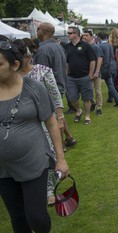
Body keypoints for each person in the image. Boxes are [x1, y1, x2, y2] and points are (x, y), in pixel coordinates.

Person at [0, 40, 69, 233]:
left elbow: (52, 123)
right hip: (3, 169)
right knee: (17, 218)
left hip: (33, 162)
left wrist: (60, 160)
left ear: (14, 65)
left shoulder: (33, 88)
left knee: (36, 216)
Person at [34, 22, 77, 147]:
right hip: (60, 84)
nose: (36, 31)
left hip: (50, 88)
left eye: (38, 29)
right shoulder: (58, 46)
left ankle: (61, 144)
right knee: (58, 113)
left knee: (52, 117)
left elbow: (41, 74)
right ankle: (68, 137)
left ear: (45, 32)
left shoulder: (43, 49)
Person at [65, 26, 96, 125]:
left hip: (84, 77)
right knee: (71, 98)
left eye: (70, 33)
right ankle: (79, 110)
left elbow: (92, 60)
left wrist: (90, 75)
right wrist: (66, 74)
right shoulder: (67, 46)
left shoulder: (85, 45)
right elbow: (67, 62)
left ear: (76, 34)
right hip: (71, 78)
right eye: (68, 33)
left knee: (86, 98)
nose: (68, 35)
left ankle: (87, 116)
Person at [82, 30, 104, 116]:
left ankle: (99, 108)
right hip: (87, 73)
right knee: (88, 91)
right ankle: (93, 103)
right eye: (83, 35)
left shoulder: (95, 47)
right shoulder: (84, 47)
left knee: (98, 91)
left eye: (86, 35)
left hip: (96, 73)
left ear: (91, 36)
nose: (84, 37)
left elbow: (100, 59)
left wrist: (97, 71)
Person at [97, 32, 118, 107]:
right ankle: (110, 98)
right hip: (113, 66)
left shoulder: (100, 46)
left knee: (110, 85)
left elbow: (102, 58)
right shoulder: (109, 45)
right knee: (111, 84)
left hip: (107, 67)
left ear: (99, 38)